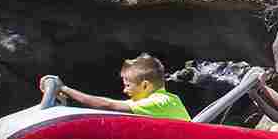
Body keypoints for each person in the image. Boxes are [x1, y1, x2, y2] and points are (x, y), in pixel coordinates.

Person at [40, 53, 190, 120]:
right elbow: (106, 101)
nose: (124, 90)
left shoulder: (159, 102)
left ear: (145, 85)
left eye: (128, 85)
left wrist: (64, 88)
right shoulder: (157, 101)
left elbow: (108, 104)